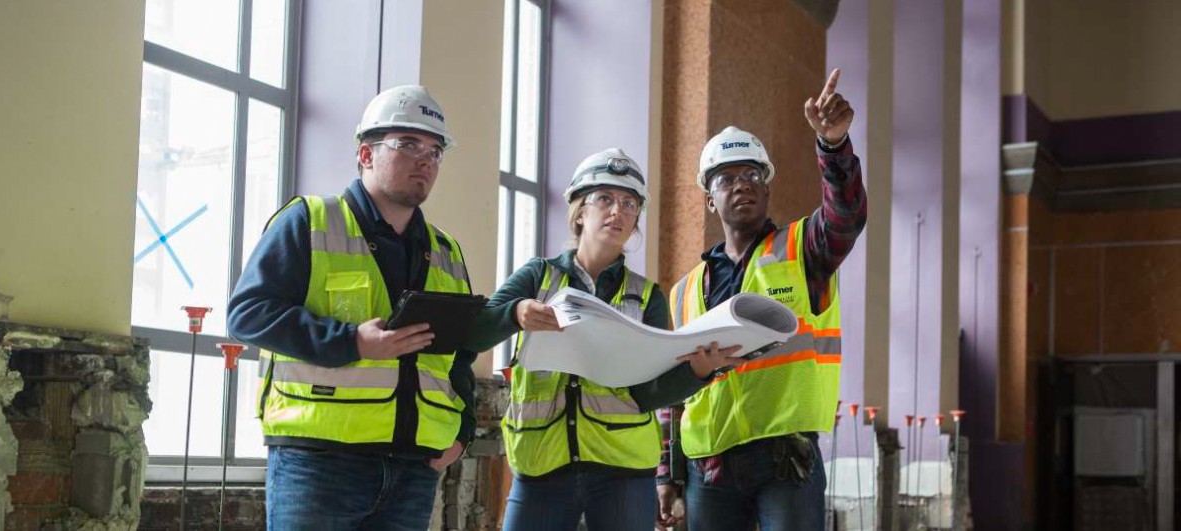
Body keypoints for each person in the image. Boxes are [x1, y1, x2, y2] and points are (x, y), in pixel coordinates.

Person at [227, 85, 476, 531]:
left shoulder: (445, 251)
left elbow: (461, 352)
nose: (426, 159)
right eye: (408, 145)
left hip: (413, 467)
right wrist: (352, 341)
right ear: (365, 154)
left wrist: (463, 432)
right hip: (319, 462)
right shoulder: (308, 221)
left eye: (436, 151)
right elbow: (249, 313)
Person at [465, 148, 740, 531]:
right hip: (540, 463)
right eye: (605, 199)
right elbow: (475, 332)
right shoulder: (537, 278)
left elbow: (648, 393)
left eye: (629, 204)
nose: (618, 211)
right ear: (580, 211)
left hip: (622, 472)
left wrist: (697, 371)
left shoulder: (647, 297)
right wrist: (515, 313)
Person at [656, 69, 869, 530]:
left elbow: (846, 216)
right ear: (710, 199)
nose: (742, 184)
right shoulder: (685, 290)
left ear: (767, 186)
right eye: (726, 178)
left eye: (752, 174)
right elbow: (673, 390)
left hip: (784, 462)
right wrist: (666, 474)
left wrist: (833, 147)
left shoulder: (803, 250)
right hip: (707, 468)